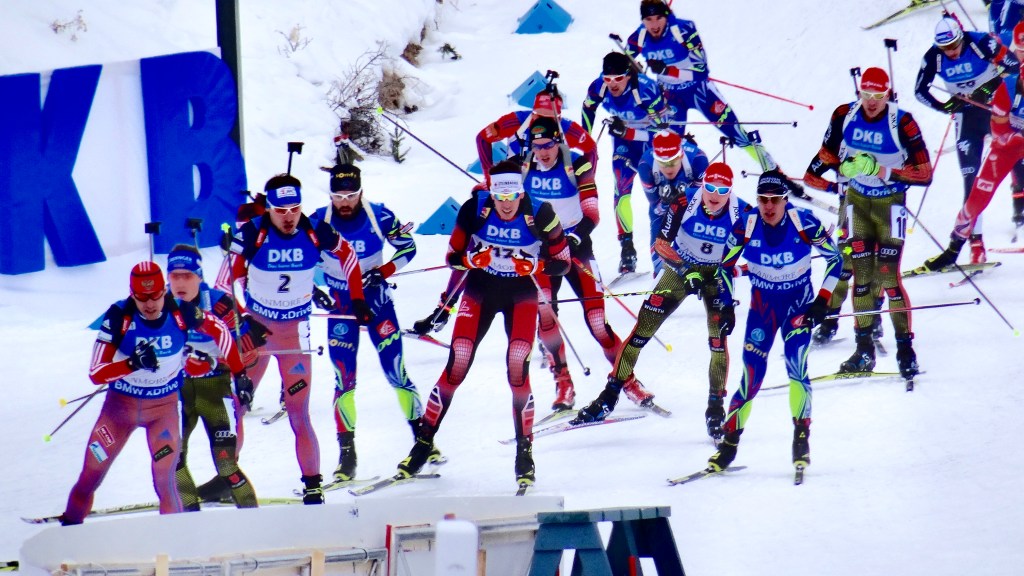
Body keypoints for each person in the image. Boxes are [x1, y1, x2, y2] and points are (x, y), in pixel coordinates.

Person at [394, 161, 570, 489]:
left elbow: (563, 263)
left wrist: (534, 263)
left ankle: (524, 452)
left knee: (518, 364)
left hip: (521, 293)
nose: (505, 204)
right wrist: (474, 260)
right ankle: (422, 445)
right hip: (480, 290)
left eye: (512, 196)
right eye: (499, 196)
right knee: (458, 358)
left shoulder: (541, 213)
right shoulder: (475, 208)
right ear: (491, 191)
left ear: (522, 192)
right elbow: (452, 257)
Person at [217, 173, 372, 504]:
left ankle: (313, 486)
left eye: (294, 208)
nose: (289, 217)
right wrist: (242, 319)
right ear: (268, 209)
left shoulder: (316, 230)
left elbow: (348, 256)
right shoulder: (253, 233)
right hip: (255, 335)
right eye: (280, 210)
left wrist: (357, 298)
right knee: (236, 407)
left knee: (300, 413)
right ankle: (228, 479)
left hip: (295, 335)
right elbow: (222, 286)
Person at [573, 162, 749, 445]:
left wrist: (727, 301)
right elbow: (660, 243)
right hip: (680, 270)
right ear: (702, 185)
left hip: (716, 276)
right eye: (710, 188)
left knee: (719, 341)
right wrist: (686, 270)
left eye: (722, 190)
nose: (715, 195)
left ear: (731, 191)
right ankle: (609, 396)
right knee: (642, 330)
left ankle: (715, 409)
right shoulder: (684, 201)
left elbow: (745, 254)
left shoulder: (744, 215)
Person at [61, 262, 247, 524]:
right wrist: (130, 363)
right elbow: (96, 372)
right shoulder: (119, 316)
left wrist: (239, 373)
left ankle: (172, 550)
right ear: (132, 294)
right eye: (142, 298)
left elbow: (219, 329)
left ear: (165, 290)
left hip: (163, 413)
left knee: (166, 478)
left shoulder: (181, 311)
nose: (150, 305)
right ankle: (68, 531)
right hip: (119, 413)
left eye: (156, 296)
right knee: (91, 475)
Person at [309, 164, 440, 484]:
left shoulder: (379, 216)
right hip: (341, 305)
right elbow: (301, 260)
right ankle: (347, 455)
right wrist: (315, 291)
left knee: (396, 372)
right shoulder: (317, 221)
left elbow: (409, 247)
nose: (344, 202)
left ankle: (424, 441)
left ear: (361, 193)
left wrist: (385, 271)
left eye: (350, 195)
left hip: (377, 302)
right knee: (344, 380)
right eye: (338, 195)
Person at [705, 172, 842, 474]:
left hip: (797, 308)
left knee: (797, 366)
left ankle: (801, 438)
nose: (768, 207)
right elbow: (724, 267)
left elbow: (836, 260)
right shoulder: (746, 225)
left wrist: (822, 300)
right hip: (762, 309)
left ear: (784, 200)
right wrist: (726, 306)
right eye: (763, 200)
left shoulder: (804, 222)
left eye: (775, 200)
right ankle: (728, 447)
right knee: (750, 376)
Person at [803, 67, 932, 380]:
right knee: (858, 272)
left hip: (892, 205)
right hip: (856, 202)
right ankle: (863, 350)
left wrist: (882, 171)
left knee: (888, 275)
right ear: (858, 93)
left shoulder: (901, 121)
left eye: (878, 96)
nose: (871, 102)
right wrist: (840, 176)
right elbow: (818, 166)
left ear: (887, 95)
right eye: (866, 95)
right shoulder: (844, 115)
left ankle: (905, 347)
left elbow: (924, 174)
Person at [519, 117, 637, 411]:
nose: (543, 152)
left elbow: (593, 213)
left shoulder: (577, 164)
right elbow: (496, 191)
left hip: (576, 245)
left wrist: (572, 237)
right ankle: (564, 385)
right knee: (546, 317)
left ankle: (628, 381)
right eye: (537, 146)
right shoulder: (521, 166)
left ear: (558, 141)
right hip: (541, 252)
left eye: (548, 145)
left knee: (598, 323)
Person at [625, 0, 795, 179]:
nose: (654, 24)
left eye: (659, 18)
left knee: (737, 133)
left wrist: (667, 70)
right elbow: (625, 67)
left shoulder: (683, 29)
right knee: (670, 146)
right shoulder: (639, 37)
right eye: (648, 19)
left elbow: (701, 70)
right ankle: (675, 186)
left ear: (666, 16)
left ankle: (774, 171)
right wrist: (634, 71)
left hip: (700, 92)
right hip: (671, 97)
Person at [914, 15, 1019, 264]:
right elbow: (919, 91)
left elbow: (1013, 66)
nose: (950, 52)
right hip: (967, 119)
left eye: (953, 46)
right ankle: (976, 245)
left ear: (961, 36)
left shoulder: (980, 42)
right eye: (945, 48)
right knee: (971, 180)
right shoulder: (933, 57)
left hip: (997, 111)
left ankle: (1020, 211)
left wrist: (989, 87)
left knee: (1016, 158)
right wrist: (946, 106)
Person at [165, 244, 258, 509]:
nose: (180, 282)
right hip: (179, 392)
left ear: (200, 276)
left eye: (188, 276)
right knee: (175, 461)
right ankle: (190, 519)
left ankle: (254, 520)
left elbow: (249, 352)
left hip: (215, 390)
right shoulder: (160, 306)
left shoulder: (220, 303)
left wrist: (214, 361)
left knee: (227, 463)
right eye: (175, 276)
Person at [582, 51, 668, 274]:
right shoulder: (598, 86)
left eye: (618, 78)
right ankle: (627, 250)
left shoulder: (646, 89)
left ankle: (666, 247)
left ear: (628, 76)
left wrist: (629, 132)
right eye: (607, 79)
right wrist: (585, 140)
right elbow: (587, 108)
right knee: (621, 192)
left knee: (658, 197)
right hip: (623, 145)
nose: (612, 84)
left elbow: (664, 129)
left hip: (650, 144)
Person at [476, 86, 598, 178]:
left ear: (558, 118)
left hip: (552, 188)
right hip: (518, 184)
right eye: (538, 115)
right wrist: (489, 177)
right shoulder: (516, 121)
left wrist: (585, 180)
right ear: (532, 112)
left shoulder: (568, 129)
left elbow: (591, 148)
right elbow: (482, 138)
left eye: (549, 118)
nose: (542, 121)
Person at [636, 128, 709, 273]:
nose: (668, 168)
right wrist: (665, 202)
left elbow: (705, 200)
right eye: (662, 163)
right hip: (662, 215)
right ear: (656, 159)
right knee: (660, 263)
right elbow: (655, 208)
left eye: (673, 161)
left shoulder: (698, 159)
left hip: (692, 211)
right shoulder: (646, 165)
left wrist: (684, 195)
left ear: (681, 155)